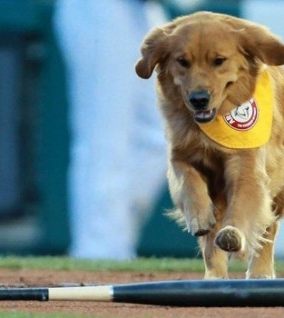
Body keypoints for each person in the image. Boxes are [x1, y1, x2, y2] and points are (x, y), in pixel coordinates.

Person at [54, 0, 169, 260]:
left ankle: (107, 241)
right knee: (105, 139)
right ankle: (98, 252)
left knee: (164, 135)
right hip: (101, 9)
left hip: (143, 11)